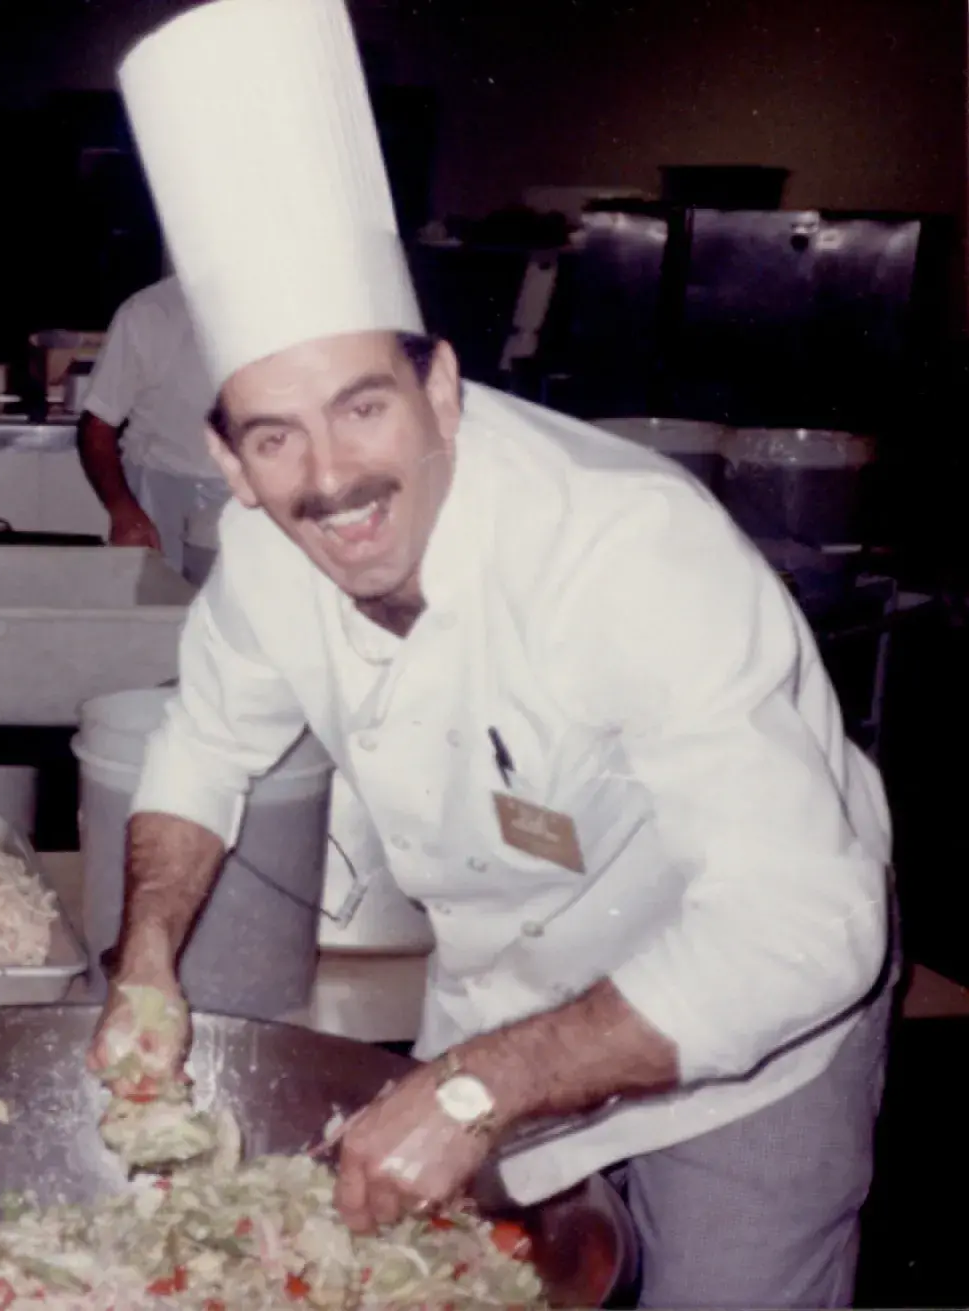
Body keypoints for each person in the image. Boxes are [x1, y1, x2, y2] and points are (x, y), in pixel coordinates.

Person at [89, 2, 894, 1307]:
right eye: (276, 436)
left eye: (364, 406)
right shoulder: (262, 554)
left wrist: (473, 1084)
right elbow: (204, 744)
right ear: (228, 463)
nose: (333, 477)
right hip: (512, 1001)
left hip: (753, 1029)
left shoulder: (628, 550)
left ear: (443, 391)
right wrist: (145, 960)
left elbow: (804, 927)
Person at [76, 272, 228, 582]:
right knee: (157, 615)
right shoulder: (149, 312)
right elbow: (96, 427)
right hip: (157, 499)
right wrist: (123, 510)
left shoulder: (283, 313)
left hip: (244, 504)